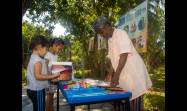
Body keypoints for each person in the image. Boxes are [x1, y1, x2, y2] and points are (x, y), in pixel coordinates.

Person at [92, 16, 152, 111]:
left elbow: (124, 55)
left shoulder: (120, 34)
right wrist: (110, 73)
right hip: (124, 74)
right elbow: (113, 58)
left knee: (134, 103)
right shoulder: (110, 40)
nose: (101, 35)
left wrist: (116, 75)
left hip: (134, 74)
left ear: (107, 26)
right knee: (123, 100)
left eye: (101, 32)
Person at [26, 35, 60, 111]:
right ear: (40, 47)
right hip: (37, 90)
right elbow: (37, 76)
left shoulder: (33, 57)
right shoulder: (37, 60)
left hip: (32, 89)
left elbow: (43, 72)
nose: (46, 51)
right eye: (46, 49)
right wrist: (53, 76)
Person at [45, 38, 64, 111]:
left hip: (54, 79)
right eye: (59, 49)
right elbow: (45, 68)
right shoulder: (47, 54)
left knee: (52, 97)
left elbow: (54, 66)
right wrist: (50, 77)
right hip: (49, 79)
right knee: (49, 97)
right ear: (54, 45)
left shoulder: (55, 55)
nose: (60, 51)